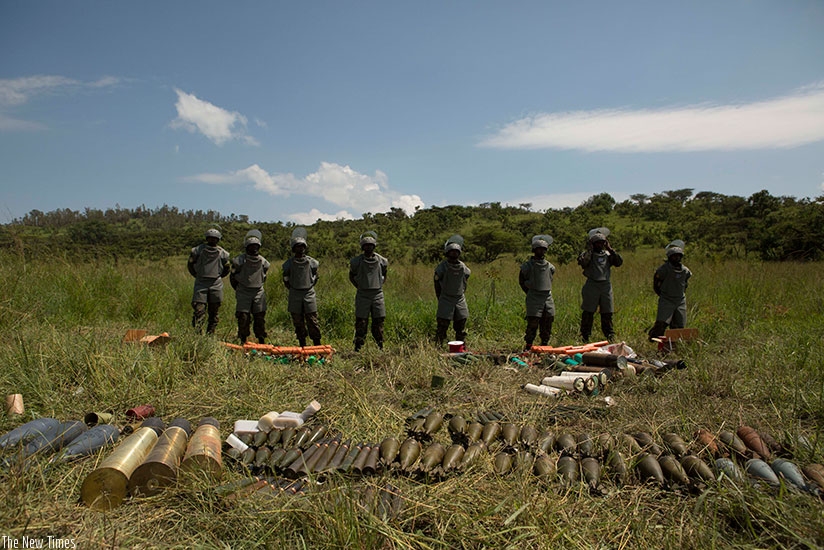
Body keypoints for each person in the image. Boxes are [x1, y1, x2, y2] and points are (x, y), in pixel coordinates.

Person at [577, 227, 623, 342]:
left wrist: (610, 249)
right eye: (597, 243)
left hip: (606, 286)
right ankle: (585, 336)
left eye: (602, 242)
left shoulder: (608, 254)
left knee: (607, 312)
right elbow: (583, 263)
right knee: (588, 312)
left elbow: (618, 263)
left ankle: (609, 336)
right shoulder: (587, 254)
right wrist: (590, 250)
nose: (600, 245)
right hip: (592, 285)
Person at [281, 228, 322, 347]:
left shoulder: (312, 262)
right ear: (293, 248)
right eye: (298, 246)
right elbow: (286, 279)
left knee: (313, 320)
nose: (300, 248)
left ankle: (317, 345)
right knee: (298, 321)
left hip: (309, 293)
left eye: (302, 246)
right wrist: (293, 289)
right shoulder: (288, 263)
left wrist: (308, 286)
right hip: (294, 294)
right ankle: (302, 344)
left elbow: (316, 277)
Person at [349, 231, 388, 351]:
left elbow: (384, 274)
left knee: (379, 321)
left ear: (374, 246)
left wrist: (379, 285)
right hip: (363, 294)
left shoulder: (382, 260)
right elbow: (351, 276)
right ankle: (358, 347)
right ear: (362, 247)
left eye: (371, 245)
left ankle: (380, 346)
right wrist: (360, 286)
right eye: (366, 245)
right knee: (361, 322)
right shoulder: (356, 261)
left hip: (377, 294)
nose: (368, 247)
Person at [188, 227, 231, 334]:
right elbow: (190, 264)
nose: (212, 240)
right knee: (199, 311)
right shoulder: (197, 250)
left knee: (214, 312)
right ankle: (197, 334)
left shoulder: (223, 253)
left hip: (215, 284)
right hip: (201, 283)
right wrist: (196, 275)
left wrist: (219, 276)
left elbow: (227, 268)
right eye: (210, 238)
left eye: (215, 238)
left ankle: (210, 334)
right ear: (207, 238)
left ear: (218, 239)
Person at [230, 230, 270, 344]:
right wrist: (238, 289)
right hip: (243, 291)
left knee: (260, 317)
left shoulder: (263, 262)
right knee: (243, 317)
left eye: (256, 246)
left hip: (258, 292)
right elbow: (232, 277)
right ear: (247, 247)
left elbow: (264, 276)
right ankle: (243, 340)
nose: (254, 248)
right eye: (252, 246)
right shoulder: (239, 261)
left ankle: (261, 339)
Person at [648, 240, 692, 340]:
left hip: (680, 300)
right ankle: (654, 339)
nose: (676, 258)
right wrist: (662, 294)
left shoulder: (685, 271)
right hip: (666, 299)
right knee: (662, 323)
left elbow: (685, 283)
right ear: (669, 257)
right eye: (674, 256)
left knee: (679, 325)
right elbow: (656, 283)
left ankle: (674, 344)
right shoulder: (664, 269)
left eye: (678, 256)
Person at [519, 235, 556, 350]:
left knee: (548, 321)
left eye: (544, 249)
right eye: (539, 249)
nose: (542, 251)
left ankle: (544, 345)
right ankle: (529, 345)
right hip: (534, 296)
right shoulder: (527, 266)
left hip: (547, 297)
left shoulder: (550, 267)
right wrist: (530, 292)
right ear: (534, 250)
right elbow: (522, 281)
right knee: (533, 322)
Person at [434, 235, 471, 345]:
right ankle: (439, 345)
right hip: (446, 298)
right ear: (447, 252)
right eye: (452, 252)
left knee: (461, 323)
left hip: (459, 298)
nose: (454, 254)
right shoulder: (442, 266)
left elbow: (466, 276)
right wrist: (439, 296)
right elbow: (436, 281)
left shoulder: (462, 266)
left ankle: (461, 345)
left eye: (456, 252)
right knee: (442, 325)